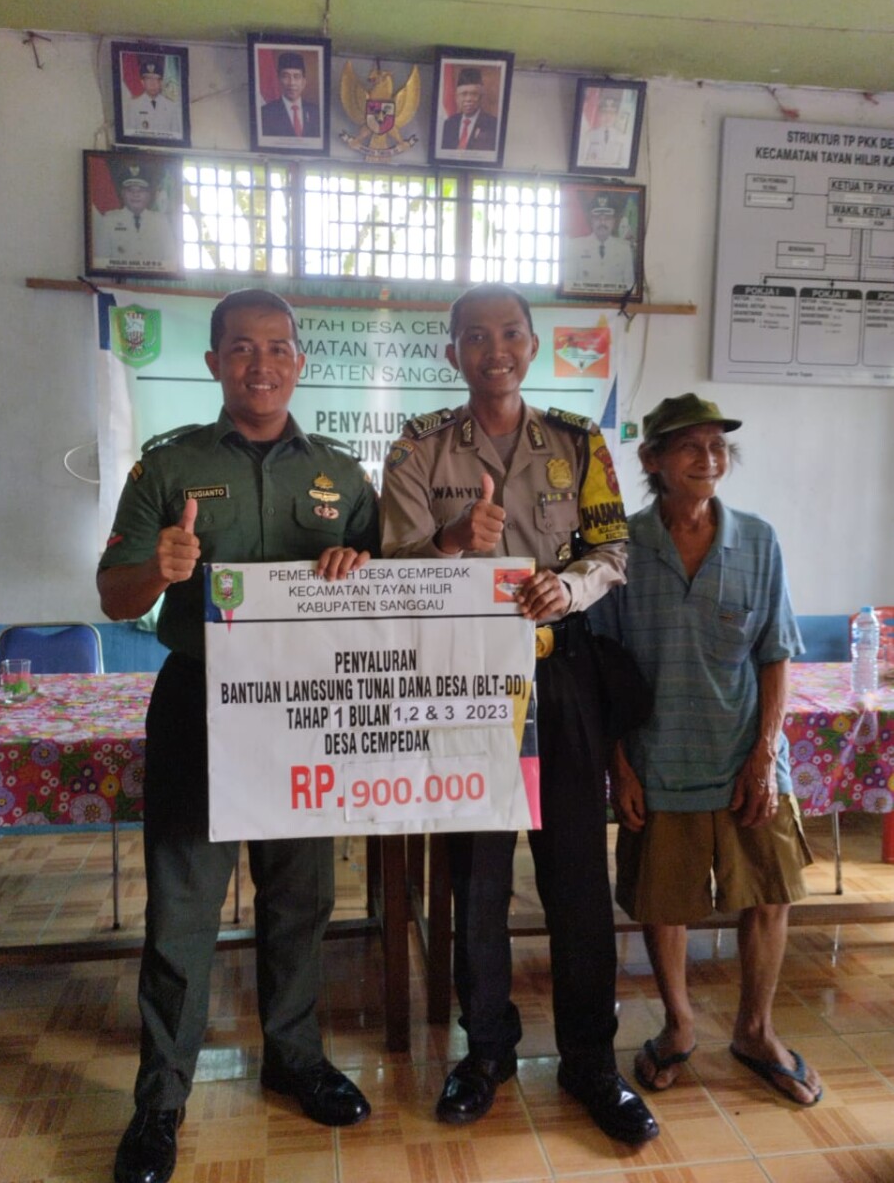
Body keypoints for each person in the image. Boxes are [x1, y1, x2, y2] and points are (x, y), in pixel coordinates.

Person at [99, 289, 379, 1183]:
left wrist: (359, 567)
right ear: (214, 362)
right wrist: (159, 569)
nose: (261, 365)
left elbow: (386, 599)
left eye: (277, 348)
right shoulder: (168, 467)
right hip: (199, 699)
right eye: (241, 349)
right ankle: (161, 1101)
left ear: (299, 361)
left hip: (307, 707)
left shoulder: (342, 476)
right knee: (182, 909)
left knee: (299, 898)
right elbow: (114, 595)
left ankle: (294, 1058)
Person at [380, 283, 658, 1144]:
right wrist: (452, 542)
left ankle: (590, 1060)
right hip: (464, 680)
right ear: (452, 352)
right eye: (474, 336)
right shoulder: (418, 447)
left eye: (508, 334)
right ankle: (486, 1053)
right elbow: (391, 571)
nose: (492, 350)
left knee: (575, 879)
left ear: (532, 346)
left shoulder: (579, 444)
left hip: (561, 675)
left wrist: (567, 589)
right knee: (475, 879)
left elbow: (612, 549)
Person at [588, 393, 823, 1107]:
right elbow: (602, 667)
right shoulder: (620, 548)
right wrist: (620, 767)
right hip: (657, 758)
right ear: (653, 460)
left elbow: (776, 653)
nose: (708, 458)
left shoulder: (758, 540)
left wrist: (765, 756)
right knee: (663, 902)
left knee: (770, 896)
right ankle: (679, 1027)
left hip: (747, 755)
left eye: (717, 446)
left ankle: (755, 1030)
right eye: (689, 446)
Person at [95, 168, 178, 272]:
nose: (136, 194)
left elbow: (171, 261)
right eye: (130, 190)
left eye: (141, 190)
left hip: (153, 280)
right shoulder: (108, 221)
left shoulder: (161, 222)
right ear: (122, 193)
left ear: (149, 194)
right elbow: (101, 262)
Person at [563, 194, 636, 294]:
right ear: (591, 221)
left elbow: (630, 287)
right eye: (597, 218)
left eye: (607, 218)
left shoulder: (624, 249)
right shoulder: (575, 247)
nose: (602, 222)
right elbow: (569, 285)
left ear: (614, 221)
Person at [260, 51, 320, 137]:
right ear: (278, 81)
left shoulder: (316, 112)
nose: (292, 83)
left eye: (296, 76)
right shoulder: (265, 113)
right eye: (286, 76)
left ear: (303, 82)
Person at [123, 54, 182, 139]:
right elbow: (129, 136)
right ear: (142, 82)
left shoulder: (171, 106)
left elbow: (176, 137)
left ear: (161, 82)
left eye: (156, 79)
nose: (152, 83)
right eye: (148, 79)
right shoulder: (134, 106)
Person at [440, 66, 498, 151]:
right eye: (463, 94)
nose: (468, 99)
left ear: (481, 97)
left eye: (474, 94)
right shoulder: (449, 123)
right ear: (457, 97)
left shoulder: (493, 124)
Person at [581, 90, 632, 170]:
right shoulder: (589, 135)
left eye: (612, 113)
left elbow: (624, 164)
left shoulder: (623, 137)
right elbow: (582, 161)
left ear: (616, 116)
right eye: (604, 112)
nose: (608, 116)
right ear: (599, 114)